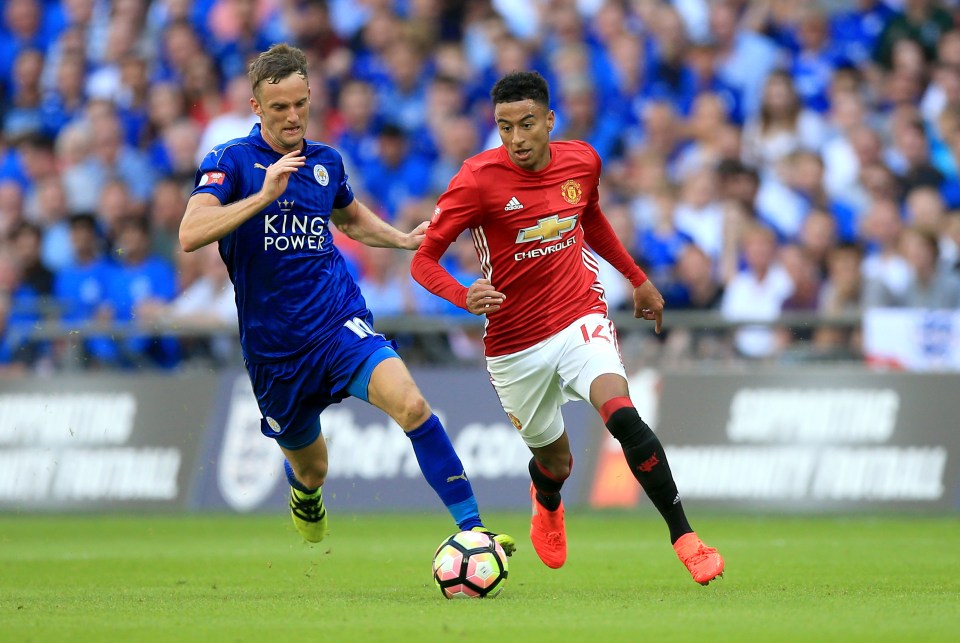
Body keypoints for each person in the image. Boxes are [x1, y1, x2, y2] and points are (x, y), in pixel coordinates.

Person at [178, 43, 514, 552]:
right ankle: (305, 493)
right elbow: (190, 232)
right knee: (313, 468)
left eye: (300, 104)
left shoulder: (326, 162)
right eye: (279, 108)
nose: (293, 117)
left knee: (414, 405)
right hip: (275, 353)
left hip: (339, 323)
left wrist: (400, 239)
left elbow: (349, 217)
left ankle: (474, 531)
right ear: (256, 108)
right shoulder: (232, 162)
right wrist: (263, 197)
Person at [411, 71, 724, 585]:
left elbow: (591, 217)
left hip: (578, 311)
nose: (516, 138)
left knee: (622, 414)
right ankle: (548, 497)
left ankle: (685, 537)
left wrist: (637, 279)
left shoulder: (582, 160)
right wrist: (463, 294)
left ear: (549, 120)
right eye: (504, 127)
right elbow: (424, 260)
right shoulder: (476, 179)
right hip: (513, 344)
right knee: (556, 462)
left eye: (527, 124)